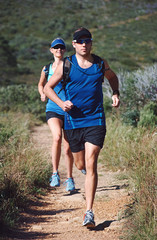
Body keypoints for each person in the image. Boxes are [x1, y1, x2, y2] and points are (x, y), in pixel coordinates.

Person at [44, 28, 120, 228]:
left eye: (87, 40)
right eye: (80, 41)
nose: (84, 44)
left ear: (91, 43)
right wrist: (61, 104)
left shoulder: (100, 63)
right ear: (75, 44)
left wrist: (115, 92)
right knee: (80, 165)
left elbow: (112, 77)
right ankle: (83, 175)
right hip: (73, 122)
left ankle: (89, 212)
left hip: (95, 120)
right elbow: (47, 88)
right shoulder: (66, 64)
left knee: (91, 161)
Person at [38, 38, 75, 192]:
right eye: (56, 48)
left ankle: (70, 179)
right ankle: (55, 174)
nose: (59, 50)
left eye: (61, 47)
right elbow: (41, 84)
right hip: (53, 107)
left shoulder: (70, 66)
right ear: (51, 50)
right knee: (57, 138)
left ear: (65, 50)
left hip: (68, 108)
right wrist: (42, 93)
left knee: (67, 146)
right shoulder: (47, 68)